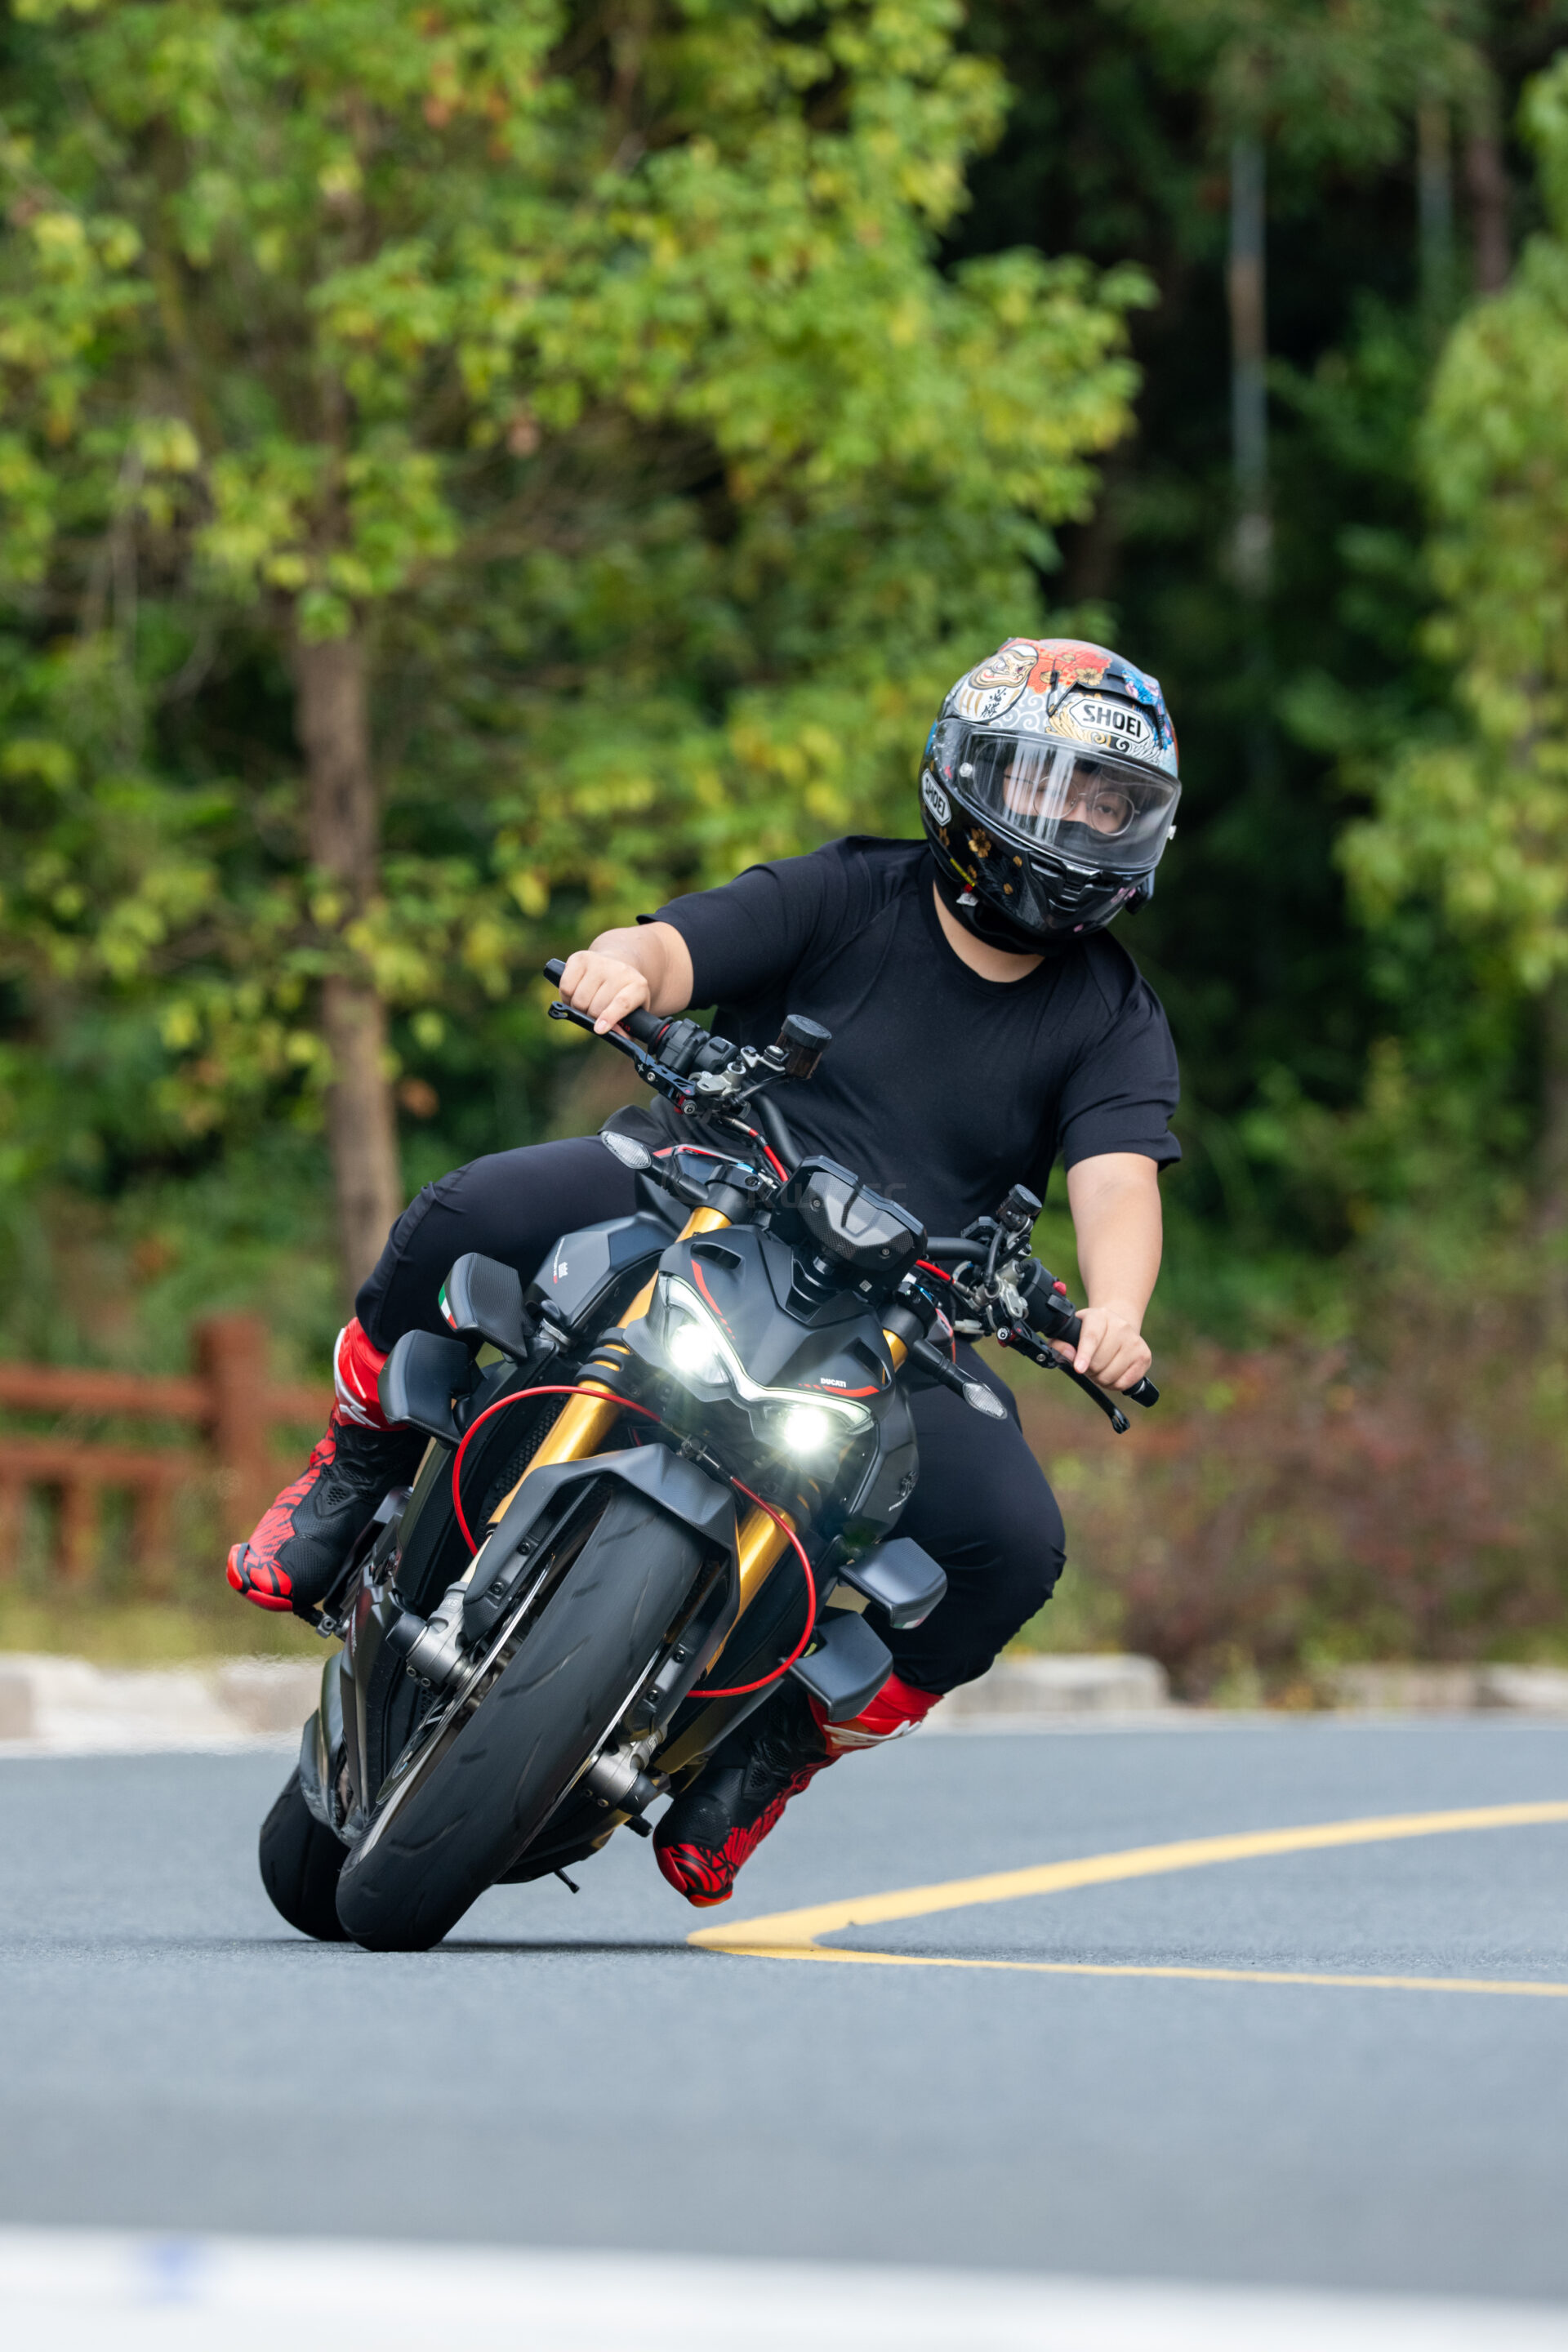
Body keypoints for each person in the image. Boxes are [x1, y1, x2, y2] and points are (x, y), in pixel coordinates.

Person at [226, 637, 1182, 1908]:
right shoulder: (852, 889)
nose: (1074, 824)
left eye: (1109, 806)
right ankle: (353, 1473)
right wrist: (625, 967)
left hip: (905, 1313)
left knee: (1014, 1546)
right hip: (698, 1185)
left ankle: (769, 1753)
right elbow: (680, 945)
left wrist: (1116, 1308)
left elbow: (1117, 1177)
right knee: (469, 1209)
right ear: (965, 774)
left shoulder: (1112, 1013)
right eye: (1048, 786)